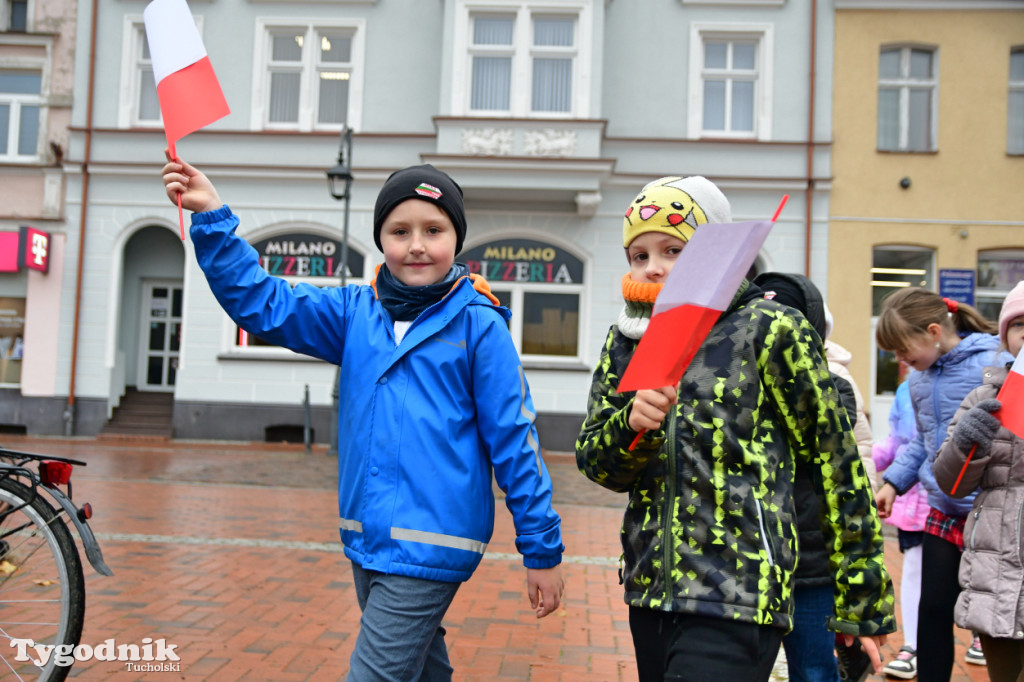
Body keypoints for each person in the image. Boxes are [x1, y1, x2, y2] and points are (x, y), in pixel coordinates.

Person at [161, 154, 565, 680]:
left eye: (433, 229)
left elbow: (514, 441)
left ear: (456, 239)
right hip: (367, 536)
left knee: (374, 673)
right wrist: (212, 215)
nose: (416, 243)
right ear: (381, 240)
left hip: (433, 541)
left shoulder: (479, 327)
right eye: (400, 230)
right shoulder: (356, 313)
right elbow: (263, 302)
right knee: (420, 670)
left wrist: (542, 549)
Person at [575, 175, 894, 682]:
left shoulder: (769, 329)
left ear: (713, 248)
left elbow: (836, 463)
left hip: (740, 593)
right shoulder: (628, 339)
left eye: (672, 249)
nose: (653, 267)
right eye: (639, 255)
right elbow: (596, 462)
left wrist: (863, 594)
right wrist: (632, 426)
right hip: (651, 591)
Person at [874, 287, 1011, 682]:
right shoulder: (919, 381)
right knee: (933, 608)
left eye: (903, 350)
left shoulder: (992, 362)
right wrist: (894, 483)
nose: (901, 361)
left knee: (990, 618)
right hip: (943, 509)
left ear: (934, 331)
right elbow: (923, 437)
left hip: (988, 516)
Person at [752, 271, 869, 682]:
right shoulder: (737, 387)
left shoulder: (832, 386)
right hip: (755, 561)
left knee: (816, 669)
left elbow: (845, 470)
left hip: (812, 565)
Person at [934, 280, 1024, 682]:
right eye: (1020, 324)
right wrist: (966, 442)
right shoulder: (983, 396)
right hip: (999, 577)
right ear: (1005, 335)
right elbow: (951, 484)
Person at [872, 377, 928, 679]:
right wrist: (863, 458)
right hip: (912, 500)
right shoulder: (907, 388)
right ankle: (912, 645)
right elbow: (898, 440)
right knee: (913, 571)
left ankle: (976, 635)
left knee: (965, 575)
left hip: (956, 500)